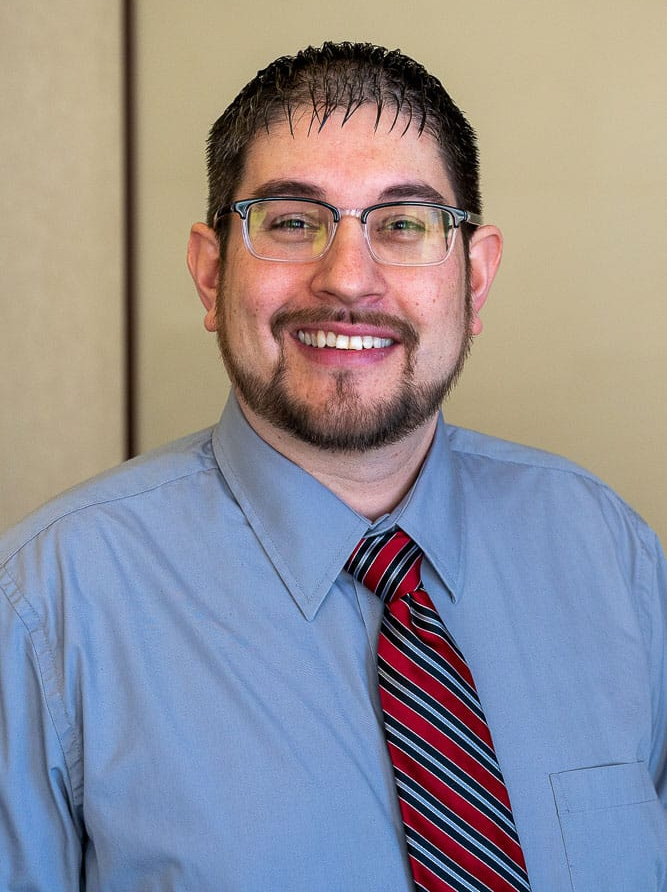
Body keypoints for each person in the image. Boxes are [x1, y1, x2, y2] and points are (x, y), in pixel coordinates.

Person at [0, 41, 665, 892]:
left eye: (403, 224)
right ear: (210, 272)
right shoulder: (45, 609)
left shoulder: (611, 556)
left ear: (475, 277)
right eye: (291, 222)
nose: (348, 280)